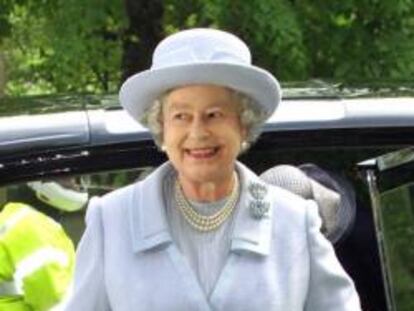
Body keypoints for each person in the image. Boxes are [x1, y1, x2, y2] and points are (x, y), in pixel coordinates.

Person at [64, 28, 361, 310]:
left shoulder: (294, 221)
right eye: (181, 116)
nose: (198, 132)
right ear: (162, 128)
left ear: (243, 125)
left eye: (214, 114)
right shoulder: (112, 221)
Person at [0, 178, 86, 310]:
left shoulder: (17, 217)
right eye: (67, 177)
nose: (75, 183)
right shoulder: (33, 227)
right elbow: (57, 304)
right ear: (42, 182)